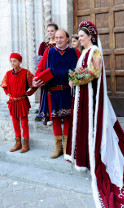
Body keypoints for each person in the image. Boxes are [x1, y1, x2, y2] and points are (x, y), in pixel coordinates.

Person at [65, 21, 124, 208]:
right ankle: (84, 157)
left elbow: (93, 72)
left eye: (81, 35)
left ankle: (95, 157)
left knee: (94, 129)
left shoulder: (95, 52)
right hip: (82, 97)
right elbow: (80, 71)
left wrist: (75, 78)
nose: (79, 38)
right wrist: (73, 77)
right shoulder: (83, 53)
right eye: (78, 36)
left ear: (90, 36)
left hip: (91, 100)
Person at [33, 29, 80, 159]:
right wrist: (36, 79)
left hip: (68, 91)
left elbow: (81, 69)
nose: (58, 40)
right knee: (55, 119)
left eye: (61, 37)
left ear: (67, 39)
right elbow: (41, 68)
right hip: (52, 92)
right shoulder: (49, 52)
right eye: (57, 37)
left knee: (67, 119)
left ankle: (66, 147)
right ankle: (58, 148)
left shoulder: (74, 52)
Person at [0, 53, 37, 153]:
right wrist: (9, 94)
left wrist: (28, 93)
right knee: (15, 123)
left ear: (20, 62)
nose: (12, 63)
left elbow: (34, 84)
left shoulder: (26, 73)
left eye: (15, 61)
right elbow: (4, 85)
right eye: (11, 61)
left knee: (24, 123)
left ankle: (26, 144)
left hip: (22, 100)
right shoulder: (8, 74)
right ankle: (18, 143)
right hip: (13, 102)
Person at [35, 23, 59, 123]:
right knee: (45, 93)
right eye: (48, 31)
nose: (50, 33)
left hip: (57, 73)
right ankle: (46, 114)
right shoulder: (43, 45)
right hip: (45, 73)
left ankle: (56, 114)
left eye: (52, 31)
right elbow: (39, 60)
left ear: (56, 31)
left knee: (55, 93)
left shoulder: (59, 44)